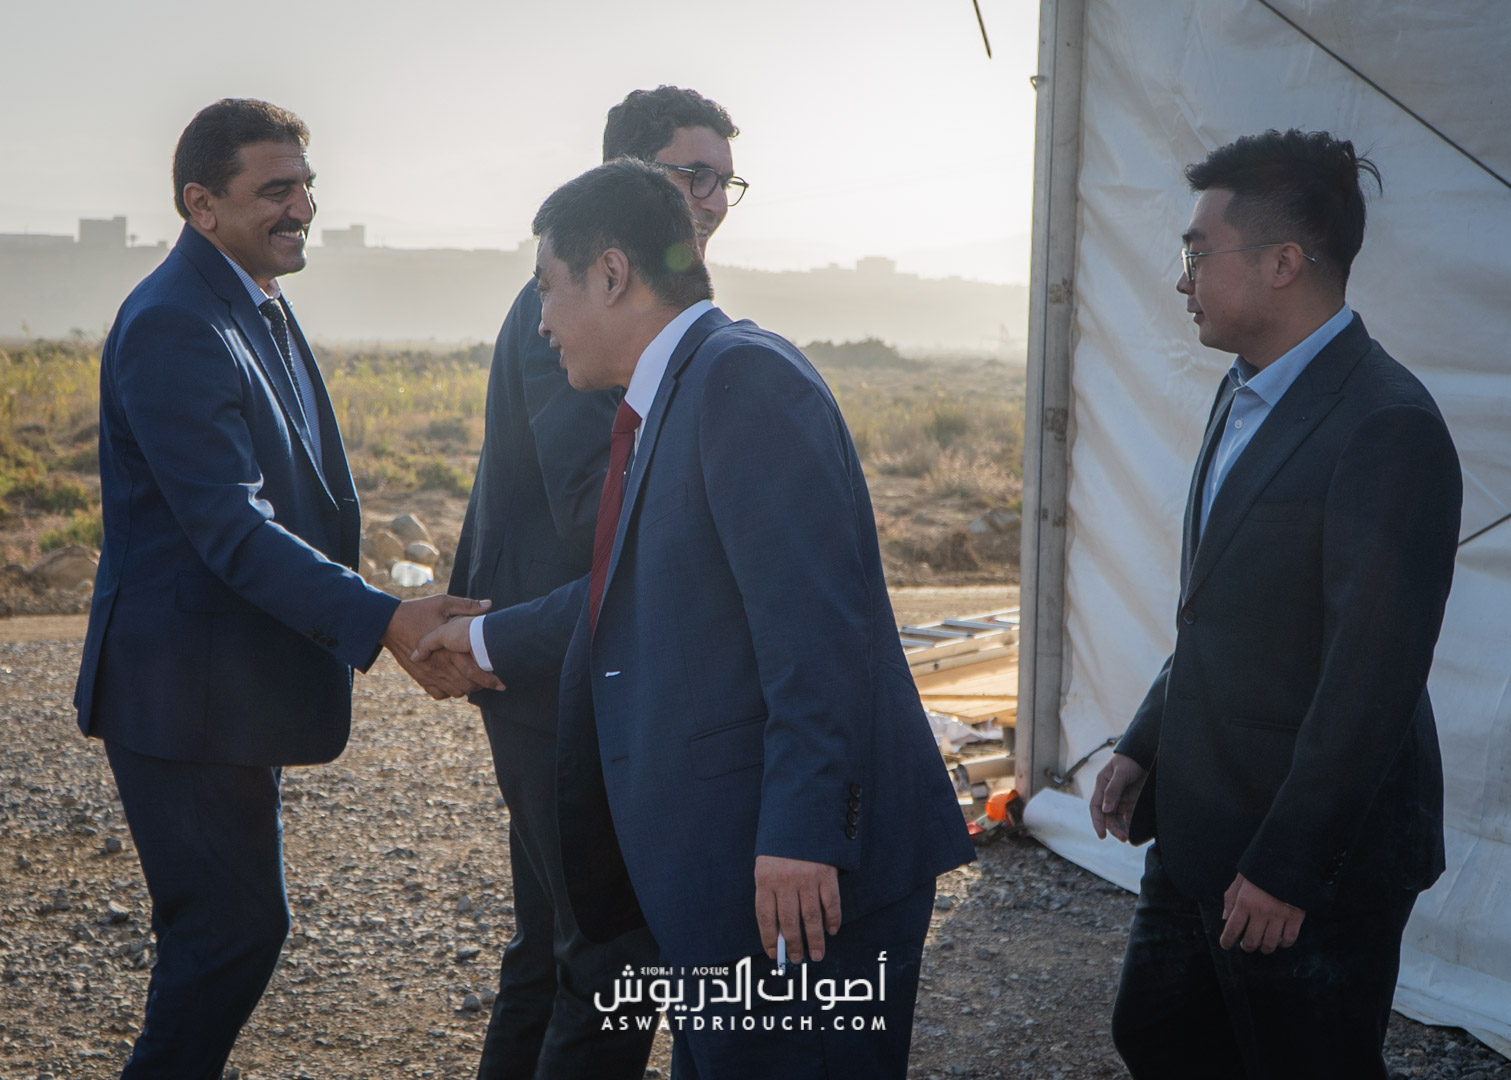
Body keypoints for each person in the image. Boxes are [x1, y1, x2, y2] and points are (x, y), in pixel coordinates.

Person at [418, 159, 975, 1079]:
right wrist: (480, 636)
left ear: (611, 273)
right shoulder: (673, 396)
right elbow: (638, 593)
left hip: (798, 880)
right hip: (729, 879)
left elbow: (817, 633)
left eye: (546, 288)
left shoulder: (742, 381)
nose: (540, 321)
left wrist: (802, 833)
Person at [73, 98, 497, 1079]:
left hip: (225, 689)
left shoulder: (251, 297)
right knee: (227, 935)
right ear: (201, 203)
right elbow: (231, 526)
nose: (302, 207)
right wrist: (384, 620)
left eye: (305, 186)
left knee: (229, 933)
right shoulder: (175, 322)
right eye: (275, 190)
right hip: (180, 696)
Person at [1090, 129, 1462, 1079]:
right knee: (1157, 1035)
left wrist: (1288, 866)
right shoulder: (1242, 391)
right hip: (1201, 818)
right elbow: (1218, 609)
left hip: (1306, 853)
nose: (1180, 280)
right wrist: (1144, 741)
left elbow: (1371, 677)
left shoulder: (1386, 425)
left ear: (1283, 262)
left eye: (1195, 254)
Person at [448, 86, 744, 1079]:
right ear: (626, 182)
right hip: (552, 667)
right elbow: (594, 507)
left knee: (556, 952)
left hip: (580, 657)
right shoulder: (568, 313)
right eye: (690, 176)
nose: (710, 200)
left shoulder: (653, 317)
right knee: (610, 958)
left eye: (724, 181)